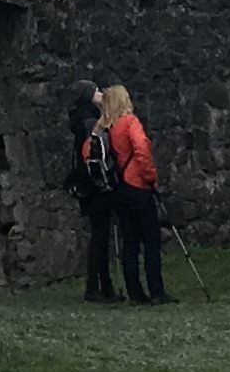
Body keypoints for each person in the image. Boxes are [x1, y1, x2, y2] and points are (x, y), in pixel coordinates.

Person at [98, 82, 167, 304]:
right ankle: (156, 291)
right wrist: (151, 177)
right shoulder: (130, 122)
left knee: (130, 242)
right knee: (151, 240)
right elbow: (142, 149)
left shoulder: (106, 128)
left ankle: (135, 292)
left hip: (119, 188)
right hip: (137, 185)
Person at [64, 92, 121, 299]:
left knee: (100, 236)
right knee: (100, 237)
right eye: (96, 91)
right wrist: (106, 182)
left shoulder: (81, 120)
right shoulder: (90, 122)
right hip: (97, 187)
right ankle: (96, 287)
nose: (101, 94)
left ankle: (102, 285)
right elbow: (96, 155)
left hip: (89, 187)